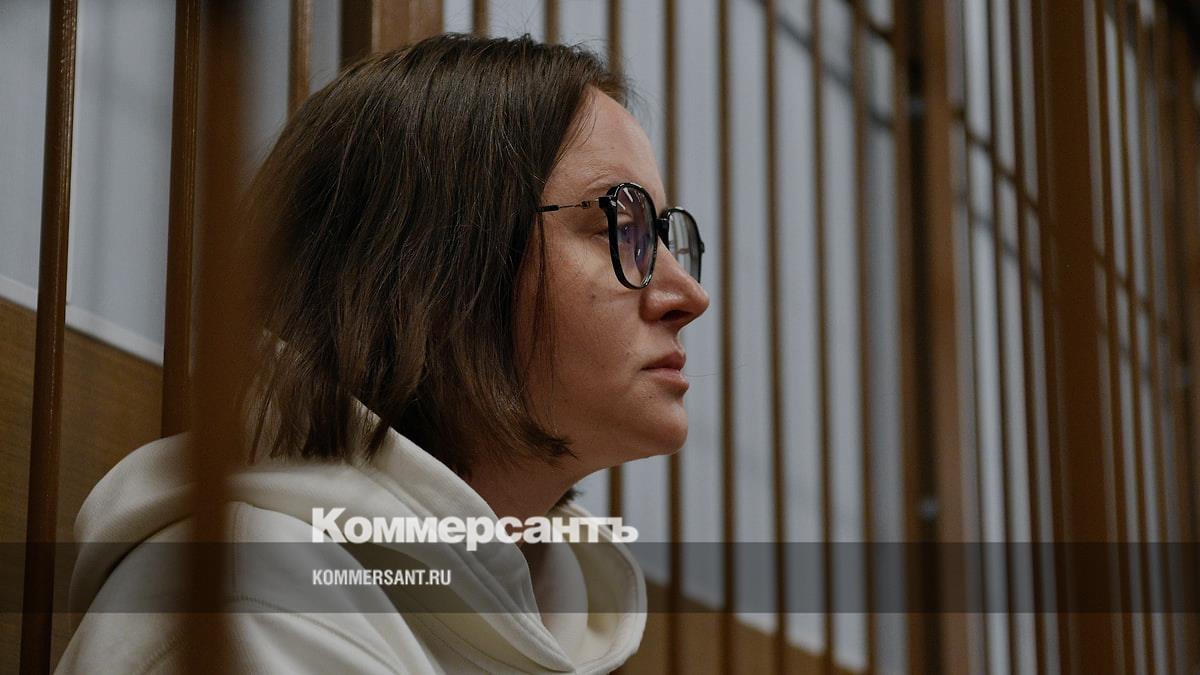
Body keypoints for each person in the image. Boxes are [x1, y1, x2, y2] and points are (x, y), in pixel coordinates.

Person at [57, 32, 709, 674]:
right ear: (434, 267)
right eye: (621, 227)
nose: (689, 295)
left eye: (660, 235)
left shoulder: (559, 614)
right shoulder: (254, 601)